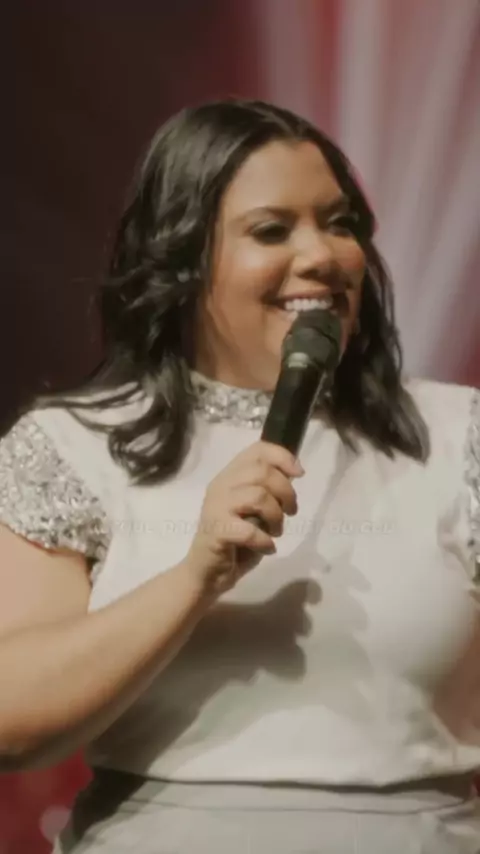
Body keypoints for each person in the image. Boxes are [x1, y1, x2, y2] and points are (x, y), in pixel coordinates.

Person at [0, 99, 479, 854]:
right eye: (272, 230)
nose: (321, 254)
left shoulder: (459, 437)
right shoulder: (74, 445)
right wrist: (195, 577)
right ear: (183, 258)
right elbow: (12, 722)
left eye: (340, 223)